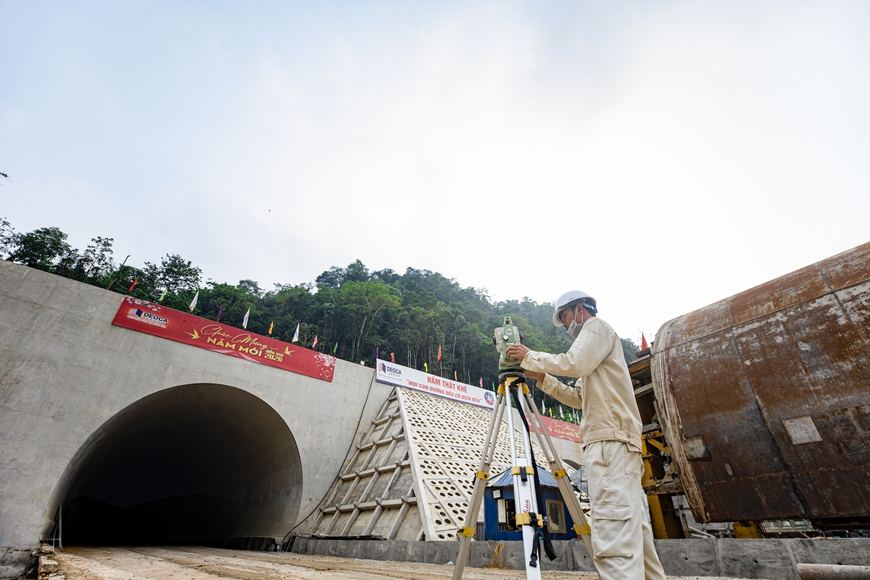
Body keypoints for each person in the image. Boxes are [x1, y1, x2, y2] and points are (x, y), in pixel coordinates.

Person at [505, 290, 665, 580]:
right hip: (615, 443)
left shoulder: (595, 329)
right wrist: (544, 379)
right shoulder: (594, 351)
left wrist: (531, 357)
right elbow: (579, 397)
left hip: (609, 443)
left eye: (565, 318)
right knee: (634, 532)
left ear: (579, 309)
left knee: (613, 534)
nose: (566, 326)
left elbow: (572, 363)